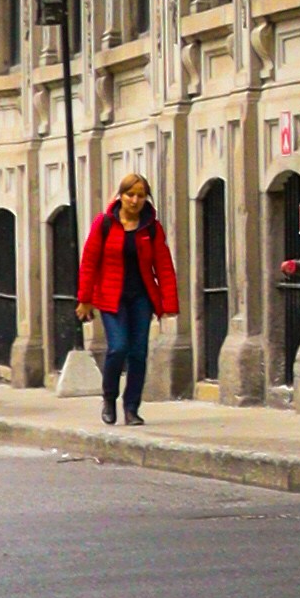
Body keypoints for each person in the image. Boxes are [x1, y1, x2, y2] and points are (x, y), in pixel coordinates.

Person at [77, 173, 179, 431]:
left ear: (146, 199)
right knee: (118, 347)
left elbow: (164, 266)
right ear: (120, 196)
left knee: (138, 352)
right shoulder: (105, 223)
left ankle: (131, 407)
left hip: (141, 298)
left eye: (140, 195)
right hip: (111, 298)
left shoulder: (151, 228)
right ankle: (109, 398)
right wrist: (85, 300)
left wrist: (169, 303)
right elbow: (89, 262)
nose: (135, 200)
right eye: (130, 194)